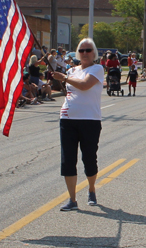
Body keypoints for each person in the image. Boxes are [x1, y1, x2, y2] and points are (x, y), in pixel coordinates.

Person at [52, 38, 105, 211]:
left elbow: (84, 86)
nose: (84, 53)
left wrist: (65, 78)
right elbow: (69, 88)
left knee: (89, 159)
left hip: (90, 120)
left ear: (94, 53)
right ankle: (72, 200)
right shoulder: (72, 70)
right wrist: (57, 78)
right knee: (68, 160)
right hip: (67, 119)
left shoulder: (97, 69)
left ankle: (91, 189)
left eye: (88, 50)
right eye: (81, 50)